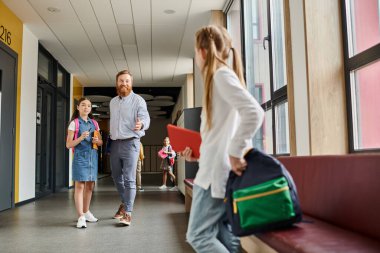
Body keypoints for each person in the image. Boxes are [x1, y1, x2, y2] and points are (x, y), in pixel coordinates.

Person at [181, 25, 264, 252]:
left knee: (198, 236)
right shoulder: (218, 78)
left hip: (215, 174)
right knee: (223, 235)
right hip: (213, 170)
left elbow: (254, 112)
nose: (196, 56)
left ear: (203, 52)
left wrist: (234, 152)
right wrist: (196, 156)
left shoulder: (220, 76)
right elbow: (219, 135)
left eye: (196, 51)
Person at [109, 69, 150, 226]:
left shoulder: (138, 100)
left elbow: (145, 118)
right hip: (115, 143)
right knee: (116, 177)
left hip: (131, 142)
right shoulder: (113, 102)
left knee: (129, 179)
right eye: (121, 81)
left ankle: (128, 213)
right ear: (117, 83)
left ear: (131, 83)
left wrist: (142, 124)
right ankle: (124, 204)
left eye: (127, 81)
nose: (124, 83)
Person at [66, 97, 103, 229]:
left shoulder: (95, 124)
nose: (86, 107)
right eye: (83, 105)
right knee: (80, 186)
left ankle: (86, 212)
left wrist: (96, 140)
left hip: (92, 157)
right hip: (80, 157)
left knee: (90, 187)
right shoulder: (74, 124)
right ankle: (80, 216)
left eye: (88, 106)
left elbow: (100, 142)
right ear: (78, 107)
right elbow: (68, 144)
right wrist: (81, 138)